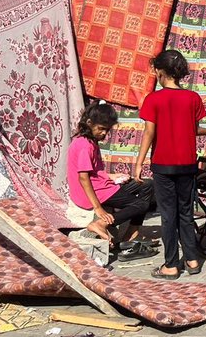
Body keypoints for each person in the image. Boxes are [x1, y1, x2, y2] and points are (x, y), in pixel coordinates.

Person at [134, 49, 206, 279]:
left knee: (168, 216)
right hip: (187, 166)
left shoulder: (153, 99)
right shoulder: (192, 98)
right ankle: (192, 260)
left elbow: (149, 133)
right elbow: (194, 130)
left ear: (161, 72)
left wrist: (138, 163)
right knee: (185, 213)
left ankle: (171, 265)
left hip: (163, 166)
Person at [66, 102, 157, 259]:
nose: (103, 133)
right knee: (141, 204)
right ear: (89, 123)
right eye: (101, 128)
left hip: (100, 185)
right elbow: (83, 178)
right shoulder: (84, 145)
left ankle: (131, 234)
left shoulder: (90, 141)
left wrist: (111, 176)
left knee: (147, 185)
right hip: (93, 192)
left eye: (106, 130)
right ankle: (101, 224)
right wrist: (98, 209)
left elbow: (93, 172)